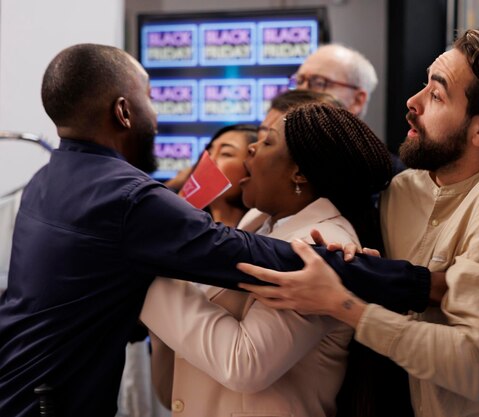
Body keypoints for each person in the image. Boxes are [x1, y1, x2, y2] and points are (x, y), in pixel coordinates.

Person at [0, 44, 436, 417]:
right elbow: (261, 258)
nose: (248, 150)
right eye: (150, 97)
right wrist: (415, 282)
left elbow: (255, 285)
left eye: (264, 140)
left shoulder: (48, 179)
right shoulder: (127, 199)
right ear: (123, 112)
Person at [239, 29, 479, 416]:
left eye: (436, 95)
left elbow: (475, 366)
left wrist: (342, 304)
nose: (412, 102)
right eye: (424, 85)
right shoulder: (403, 188)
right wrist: (365, 266)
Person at [141, 93, 391, 417]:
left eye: (266, 142)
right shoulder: (258, 222)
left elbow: (245, 363)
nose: (252, 149)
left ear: (299, 172)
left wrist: (144, 276)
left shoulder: (324, 244)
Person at [115, 123, 257, 417]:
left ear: (252, 170)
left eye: (226, 152)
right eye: (207, 152)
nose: (208, 161)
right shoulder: (180, 241)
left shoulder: (262, 243)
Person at [291, 43, 406, 178]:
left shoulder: (389, 176)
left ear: (357, 101)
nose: (302, 90)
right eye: (300, 81)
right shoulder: (279, 158)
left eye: (319, 83)